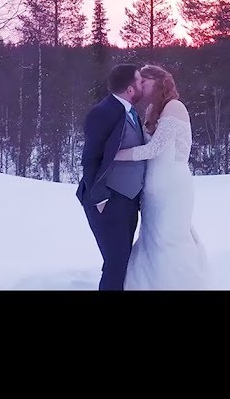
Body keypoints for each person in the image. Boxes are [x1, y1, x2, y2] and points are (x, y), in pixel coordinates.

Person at [112, 64, 211, 290]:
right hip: (151, 189)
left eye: (143, 83)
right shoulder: (150, 111)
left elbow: (153, 149)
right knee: (152, 240)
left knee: (170, 240)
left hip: (173, 188)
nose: (139, 88)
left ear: (157, 82)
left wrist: (114, 156)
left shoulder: (175, 107)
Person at [76, 64, 148, 291]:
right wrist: (99, 198)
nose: (142, 85)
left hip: (128, 200)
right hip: (107, 200)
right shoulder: (103, 112)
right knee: (116, 263)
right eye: (139, 81)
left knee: (120, 261)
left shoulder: (131, 111)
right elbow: (90, 158)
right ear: (129, 89)